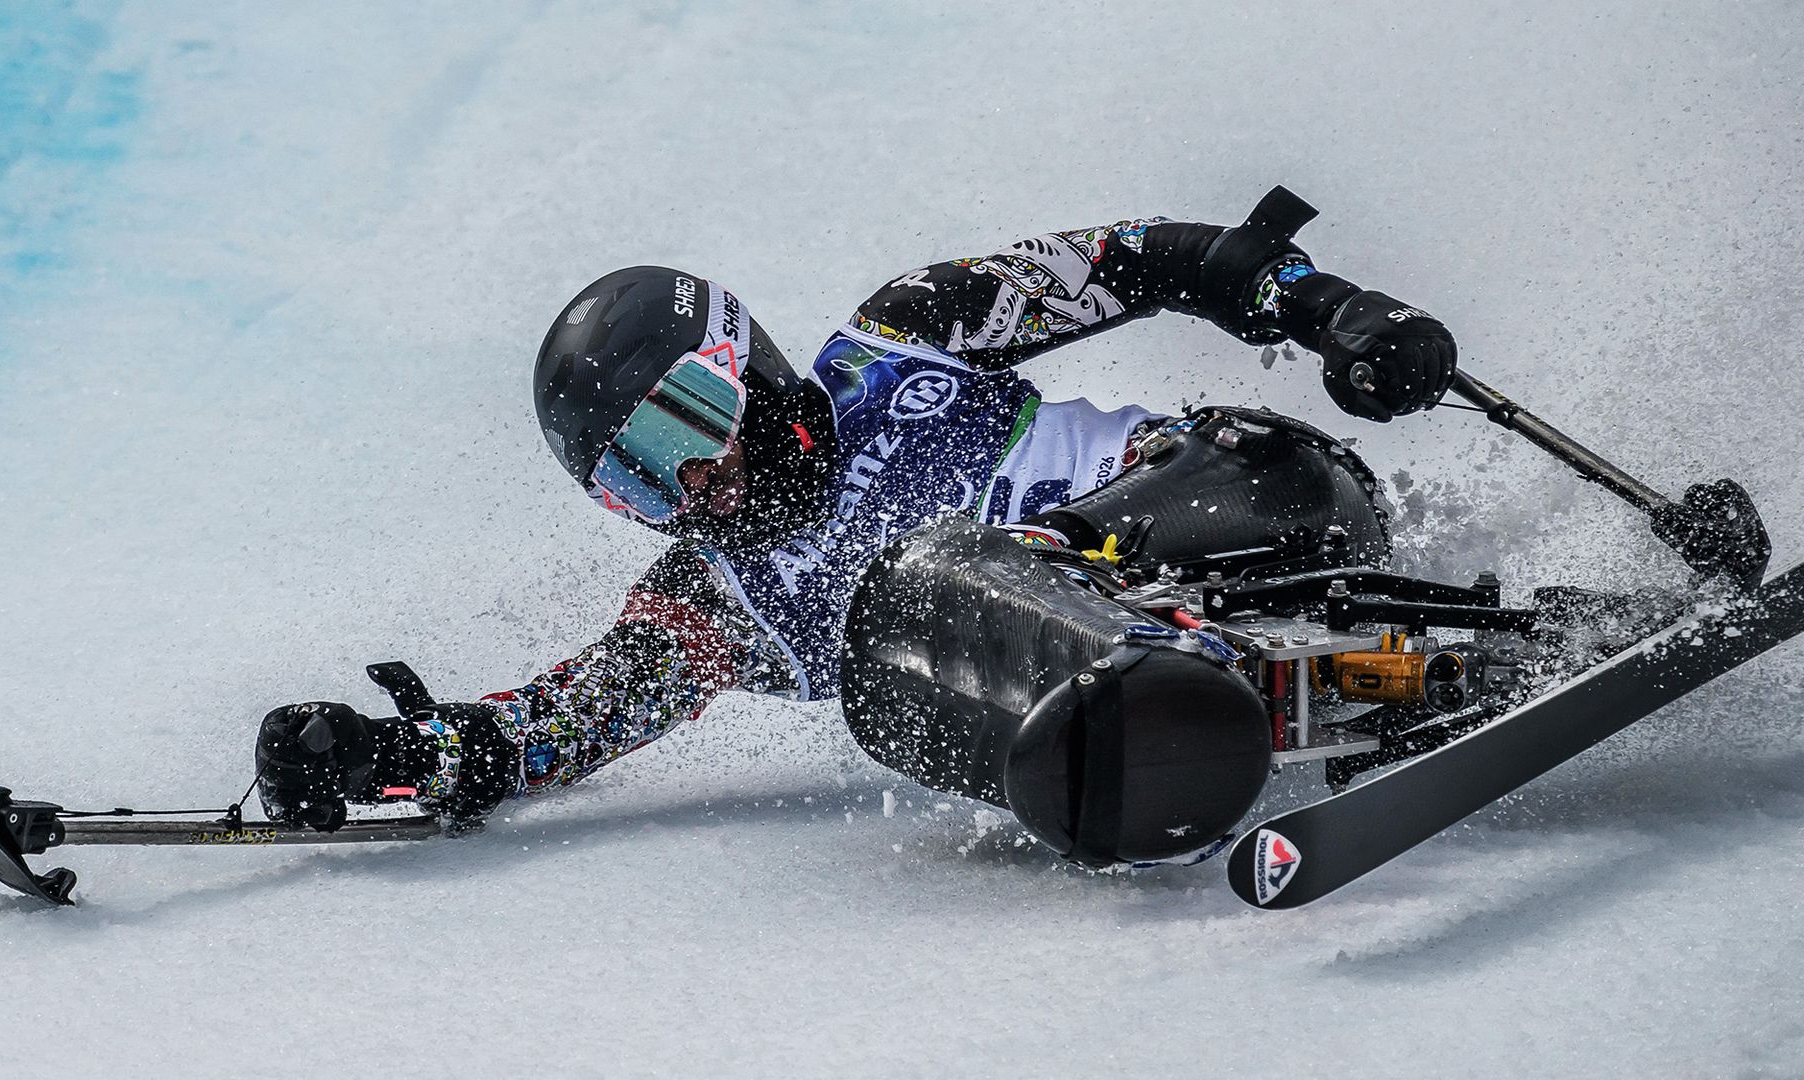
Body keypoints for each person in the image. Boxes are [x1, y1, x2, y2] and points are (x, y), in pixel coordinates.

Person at [254, 186, 1457, 834]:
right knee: (900, 647)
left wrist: (1328, 309)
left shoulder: (905, 338)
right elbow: (560, 722)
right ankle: (1418, 672)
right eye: (635, 481)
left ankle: (1147, 669)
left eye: (680, 426)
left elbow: (1148, 259)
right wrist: (414, 756)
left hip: (1253, 495)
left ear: (738, 357)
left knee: (935, 581)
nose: (689, 486)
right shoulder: (717, 601)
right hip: (1189, 671)